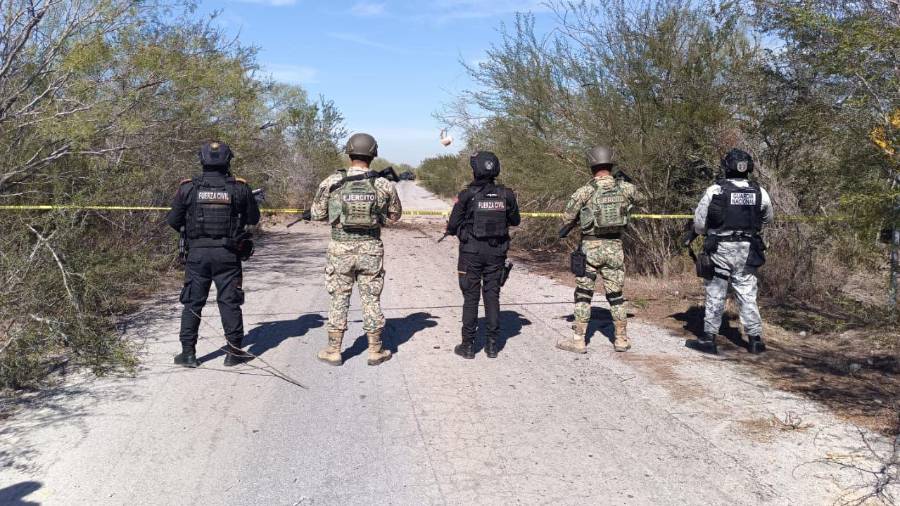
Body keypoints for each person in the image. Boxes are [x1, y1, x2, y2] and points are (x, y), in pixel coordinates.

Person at [309, 133, 402, 366]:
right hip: (371, 249)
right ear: (373, 154)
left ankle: (333, 350)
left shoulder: (331, 181)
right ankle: (375, 350)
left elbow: (317, 214)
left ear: (349, 152)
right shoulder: (383, 184)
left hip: (340, 248)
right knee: (371, 299)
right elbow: (395, 216)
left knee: (339, 298)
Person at [167, 141, 260, 367]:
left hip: (197, 255)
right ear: (228, 160)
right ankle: (234, 352)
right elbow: (253, 219)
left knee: (192, 303)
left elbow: (173, 221)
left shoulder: (188, 188)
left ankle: (188, 353)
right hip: (228, 255)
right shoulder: (240, 188)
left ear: (202, 160)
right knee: (229, 302)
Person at [556, 146, 639, 354]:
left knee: (583, 294)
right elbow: (642, 199)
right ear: (611, 163)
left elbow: (567, 217)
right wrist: (626, 184)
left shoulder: (585, 191)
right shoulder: (625, 188)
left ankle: (578, 340)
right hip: (615, 248)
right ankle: (621, 339)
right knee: (616, 295)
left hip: (590, 248)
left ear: (591, 164)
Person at [692, 148, 774, 354]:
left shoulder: (715, 191)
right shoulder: (760, 192)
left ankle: (709, 339)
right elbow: (767, 219)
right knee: (747, 294)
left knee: (716, 293)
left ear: (726, 167)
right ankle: (755, 340)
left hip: (720, 249)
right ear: (749, 168)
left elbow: (699, 225)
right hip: (747, 250)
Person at [445, 151, 521, 359]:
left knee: (471, 298)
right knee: (492, 296)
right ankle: (492, 346)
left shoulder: (467, 195)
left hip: (471, 253)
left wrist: (455, 228)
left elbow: (452, 225)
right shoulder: (507, 194)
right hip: (497, 253)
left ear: (475, 170)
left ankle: (468, 346)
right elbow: (515, 221)